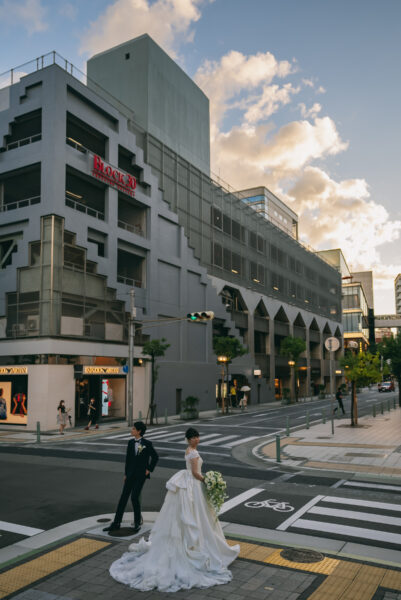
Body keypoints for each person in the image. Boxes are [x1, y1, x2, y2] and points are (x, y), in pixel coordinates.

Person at [109, 427, 239, 593]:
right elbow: (194, 473)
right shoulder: (192, 453)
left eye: (198, 437)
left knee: (192, 516)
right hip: (193, 485)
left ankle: (193, 543)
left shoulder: (190, 450)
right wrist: (209, 480)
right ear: (189, 439)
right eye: (194, 437)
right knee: (195, 516)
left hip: (190, 485)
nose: (197, 439)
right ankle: (195, 548)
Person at [104, 421, 158, 534]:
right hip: (130, 474)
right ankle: (116, 523)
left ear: (139, 431)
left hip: (141, 475)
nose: (131, 430)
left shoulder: (147, 443)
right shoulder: (130, 443)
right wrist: (125, 474)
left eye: (133, 429)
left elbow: (155, 457)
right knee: (123, 498)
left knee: (134, 497)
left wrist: (149, 470)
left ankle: (137, 522)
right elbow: (128, 460)